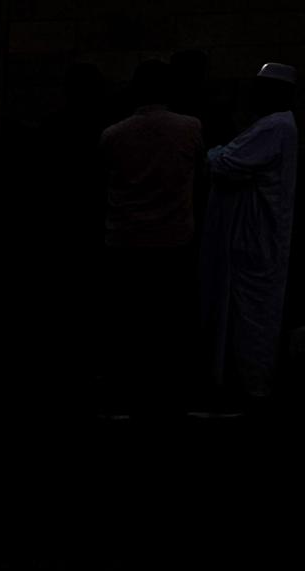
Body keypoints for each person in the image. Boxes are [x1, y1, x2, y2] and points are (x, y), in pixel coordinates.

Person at [98, 60, 205, 418]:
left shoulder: (113, 135)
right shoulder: (191, 128)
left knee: (129, 325)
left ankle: (127, 395)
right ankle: (170, 396)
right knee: (170, 326)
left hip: (125, 243)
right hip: (174, 243)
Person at [197, 63, 297, 415]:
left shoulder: (274, 126)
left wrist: (213, 153)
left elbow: (224, 164)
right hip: (258, 239)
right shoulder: (279, 126)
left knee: (251, 316)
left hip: (256, 242)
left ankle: (251, 388)